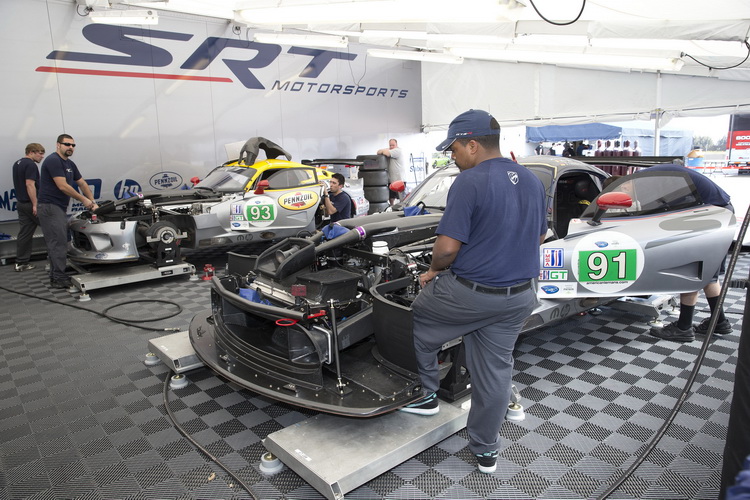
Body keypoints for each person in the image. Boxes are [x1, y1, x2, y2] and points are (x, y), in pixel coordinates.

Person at [400, 110, 547, 475]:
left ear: (472, 145)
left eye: (453, 149)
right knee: (495, 371)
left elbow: (447, 250)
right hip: (520, 297)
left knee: (412, 314)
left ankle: (428, 394)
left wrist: (432, 271)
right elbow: (539, 235)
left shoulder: (469, 181)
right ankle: (486, 450)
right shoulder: (531, 180)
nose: (452, 157)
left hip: (471, 294)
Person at [646, 163, 733, 342]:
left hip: (709, 215)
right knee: (709, 274)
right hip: (721, 211)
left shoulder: (647, 182)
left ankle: (683, 327)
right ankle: (719, 321)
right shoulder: (654, 176)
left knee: (692, 271)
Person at [37, 134, 98, 289]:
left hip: (58, 207)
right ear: (58, 145)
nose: (70, 147)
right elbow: (62, 186)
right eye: (67, 144)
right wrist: (83, 200)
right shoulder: (53, 160)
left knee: (58, 241)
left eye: (73, 145)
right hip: (50, 207)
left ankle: (56, 275)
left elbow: (82, 183)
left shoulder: (69, 163)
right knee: (58, 242)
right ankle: (58, 277)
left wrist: (92, 201)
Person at [11, 143, 45, 272]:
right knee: (53, 228)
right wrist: (35, 204)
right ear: (31, 152)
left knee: (25, 233)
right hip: (31, 204)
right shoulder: (30, 165)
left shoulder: (17, 163)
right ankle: (58, 259)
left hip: (21, 204)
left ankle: (21, 263)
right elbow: (30, 185)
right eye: (40, 153)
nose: (42, 156)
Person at [376, 138, 403, 205]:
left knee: (401, 198)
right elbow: (378, 152)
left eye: (393, 145)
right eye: (390, 145)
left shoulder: (397, 151)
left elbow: (386, 153)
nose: (391, 147)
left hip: (399, 180)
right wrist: (385, 150)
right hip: (391, 180)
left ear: (396, 145)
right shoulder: (390, 150)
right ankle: (391, 207)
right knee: (391, 197)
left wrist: (385, 150)